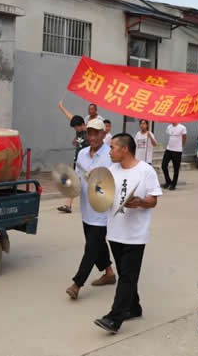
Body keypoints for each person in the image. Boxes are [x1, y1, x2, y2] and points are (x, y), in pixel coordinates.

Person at [94, 133, 163, 334]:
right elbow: (101, 195)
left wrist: (140, 202)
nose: (110, 151)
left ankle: (114, 319)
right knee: (126, 274)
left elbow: (154, 200)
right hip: (115, 232)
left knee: (127, 277)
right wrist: (95, 187)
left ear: (125, 149)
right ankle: (134, 307)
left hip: (135, 234)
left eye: (113, 147)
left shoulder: (145, 171)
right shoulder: (110, 171)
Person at [66, 118, 116, 300]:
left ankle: (77, 284)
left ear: (104, 134)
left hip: (102, 209)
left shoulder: (110, 155)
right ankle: (109, 273)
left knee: (91, 247)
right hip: (86, 209)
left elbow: (113, 183)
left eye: (97, 133)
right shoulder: (82, 154)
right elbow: (78, 178)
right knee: (98, 244)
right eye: (90, 133)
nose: (93, 137)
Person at [57, 101, 89, 213]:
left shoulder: (90, 133)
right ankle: (68, 205)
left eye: (77, 127)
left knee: (87, 185)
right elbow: (70, 116)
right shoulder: (79, 131)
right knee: (74, 182)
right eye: (74, 127)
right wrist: (62, 107)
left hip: (88, 164)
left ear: (82, 125)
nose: (75, 130)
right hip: (78, 161)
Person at [162, 122, 187, 190]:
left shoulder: (182, 127)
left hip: (177, 151)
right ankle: (168, 181)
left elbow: (184, 138)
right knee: (163, 165)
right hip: (169, 149)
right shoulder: (169, 127)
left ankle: (173, 184)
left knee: (176, 168)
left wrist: (181, 146)